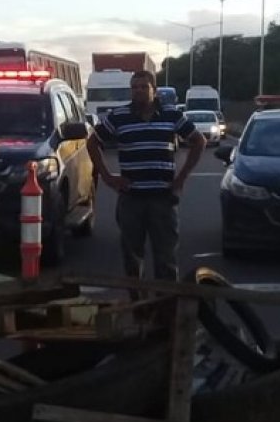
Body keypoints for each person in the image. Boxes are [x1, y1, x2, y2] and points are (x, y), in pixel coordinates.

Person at [87, 70, 206, 283]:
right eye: (134, 87)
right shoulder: (119, 116)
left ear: (154, 90)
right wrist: (107, 176)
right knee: (132, 258)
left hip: (163, 198)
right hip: (131, 199)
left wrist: (181, 178)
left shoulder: (172, 115)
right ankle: (139, 308)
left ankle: (165, 309)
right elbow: (92, 142)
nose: (138, 91)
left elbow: (199, 141)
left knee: (166, 258)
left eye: (143, 87)